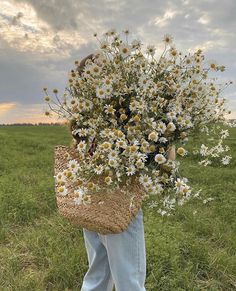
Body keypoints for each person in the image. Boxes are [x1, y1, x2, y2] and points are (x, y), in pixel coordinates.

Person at [73, 53, 176, 291]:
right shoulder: (126, 115)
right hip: (120, 204)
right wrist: (167, 132)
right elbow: (164, 160)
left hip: (90, 202)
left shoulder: (85, 117)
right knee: (129, 277)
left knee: (97, 272)